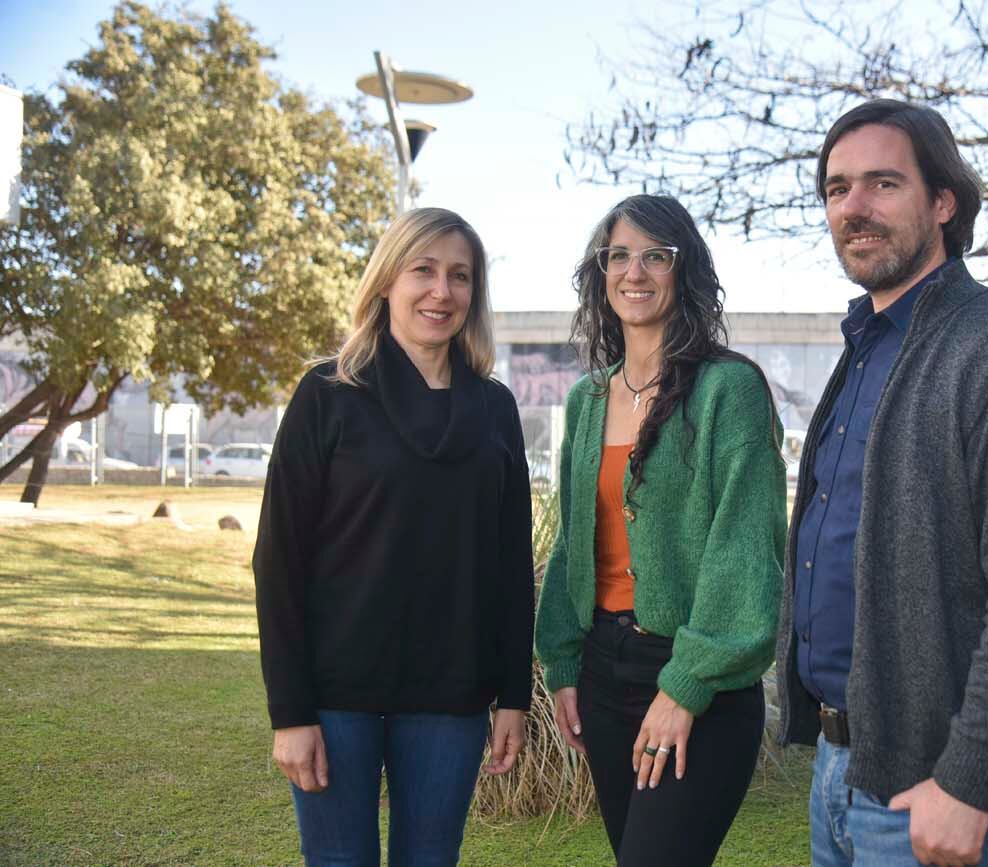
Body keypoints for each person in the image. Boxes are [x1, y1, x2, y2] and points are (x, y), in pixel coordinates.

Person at [775, 99, 988, 867]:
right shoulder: (865, 346)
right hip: (840, 764)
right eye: (836, 188)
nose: (854, 206)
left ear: (943, 202)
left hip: (930, 787)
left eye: (883, 183)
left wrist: (970, 781)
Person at [252, 207, 534, 867]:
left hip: (451, 698)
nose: (442, 291)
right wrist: (290, 712)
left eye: (460, 276)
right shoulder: (327, 394)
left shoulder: (494, 409)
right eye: (424, 270)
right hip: (334, 697)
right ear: (386, 282)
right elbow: (278, 559)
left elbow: (509, 566)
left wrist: (513, 695)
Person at [535, 194, 787, 866]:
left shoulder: (728, 390)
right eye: (618, 255)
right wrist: (562, 663)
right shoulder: (588, 399)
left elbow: (744, 550)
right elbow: (573, 542)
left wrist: (684, 686)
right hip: (602, 674)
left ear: (685, 271)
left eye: (656, 256)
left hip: (695, 683)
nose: (635, 271)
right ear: (601, 272)